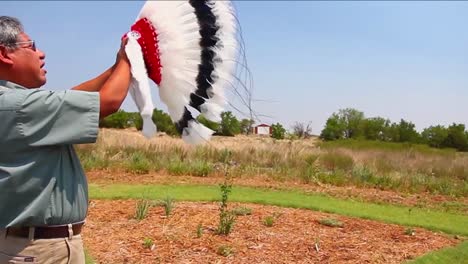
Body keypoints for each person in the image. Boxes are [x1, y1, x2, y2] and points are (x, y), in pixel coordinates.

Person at [0, 16, 131, 264]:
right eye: (32, 46)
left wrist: (118, 65)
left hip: (25, 246)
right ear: (4, 54)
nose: (41, 54)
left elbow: (74, 97)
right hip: (40, 250)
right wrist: (128, 60)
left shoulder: (12, 103)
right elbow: (108, 102)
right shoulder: (19, 106)